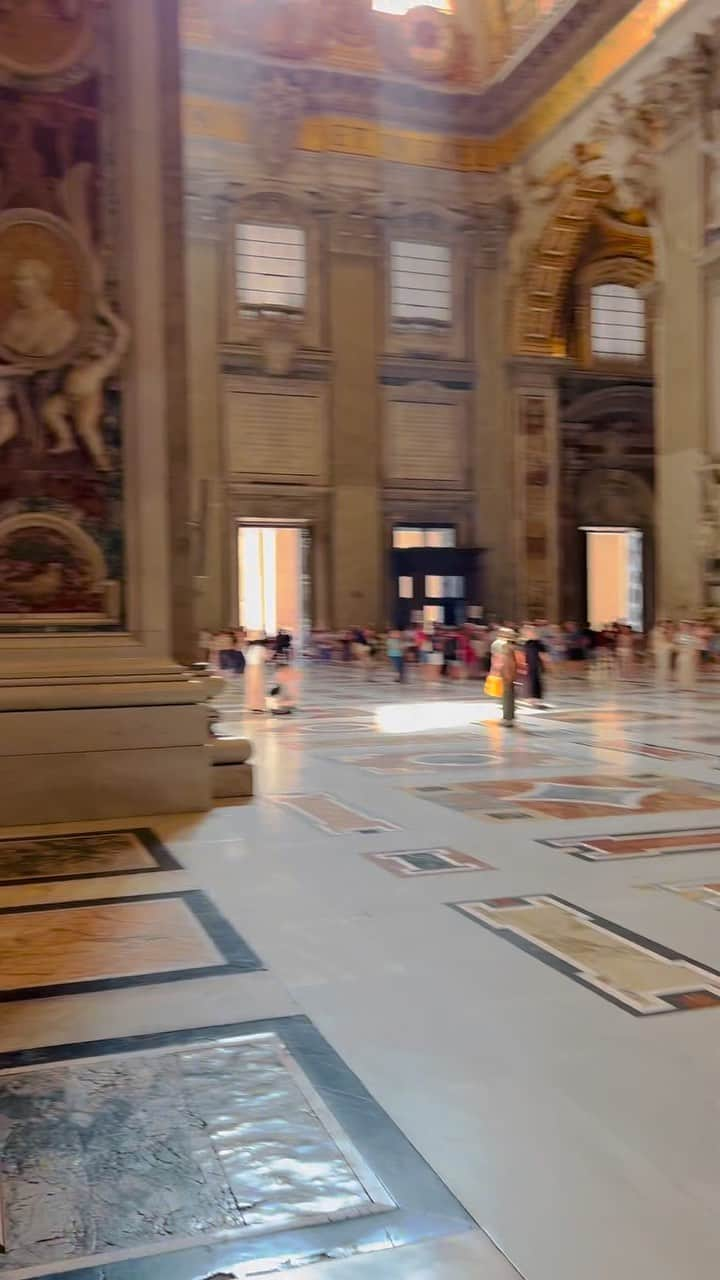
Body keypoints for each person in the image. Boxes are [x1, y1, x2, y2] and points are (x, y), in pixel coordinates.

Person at [1, 258, 78, 358]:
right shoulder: (15, 320)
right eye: (15, 279)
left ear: (41, 283)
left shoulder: (62, 322)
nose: (16, 283)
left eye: (22, 278)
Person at [524, 625, 548, 704]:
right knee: (529, 680)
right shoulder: (527, 643)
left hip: (536, 665)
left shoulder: (539, 643)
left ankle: (537, 697)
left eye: (529, 632)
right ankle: (530, 696)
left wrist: (545, 665)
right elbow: (524, 654)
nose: (527, 633)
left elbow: (544, 655)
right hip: (528, 664)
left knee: (536, 680)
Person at [244, 633, 267, 712]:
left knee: (250, 688)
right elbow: (265, 658)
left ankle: (252, 705)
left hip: (248, 668)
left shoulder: (249, 648)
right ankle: (258, 706)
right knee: (258, 688)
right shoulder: (261, 648)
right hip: (257, 668)